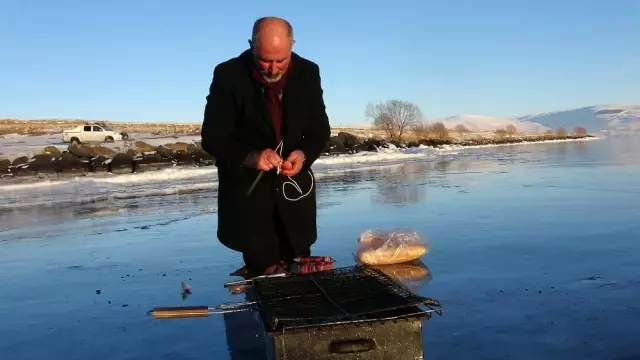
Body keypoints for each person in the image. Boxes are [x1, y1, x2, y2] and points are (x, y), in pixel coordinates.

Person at [200, 17, 331, 275]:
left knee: (301, 274)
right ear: (251, 46)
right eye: (265, 60)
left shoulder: (309, 72)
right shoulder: (228, 75)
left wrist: (303, 155)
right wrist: (252, 157)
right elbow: (212, 136)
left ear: (292, 45)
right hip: (249, 196)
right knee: (264, 273)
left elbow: (319, 130)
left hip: (295, 194)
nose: (273, 69)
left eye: (281, 60)